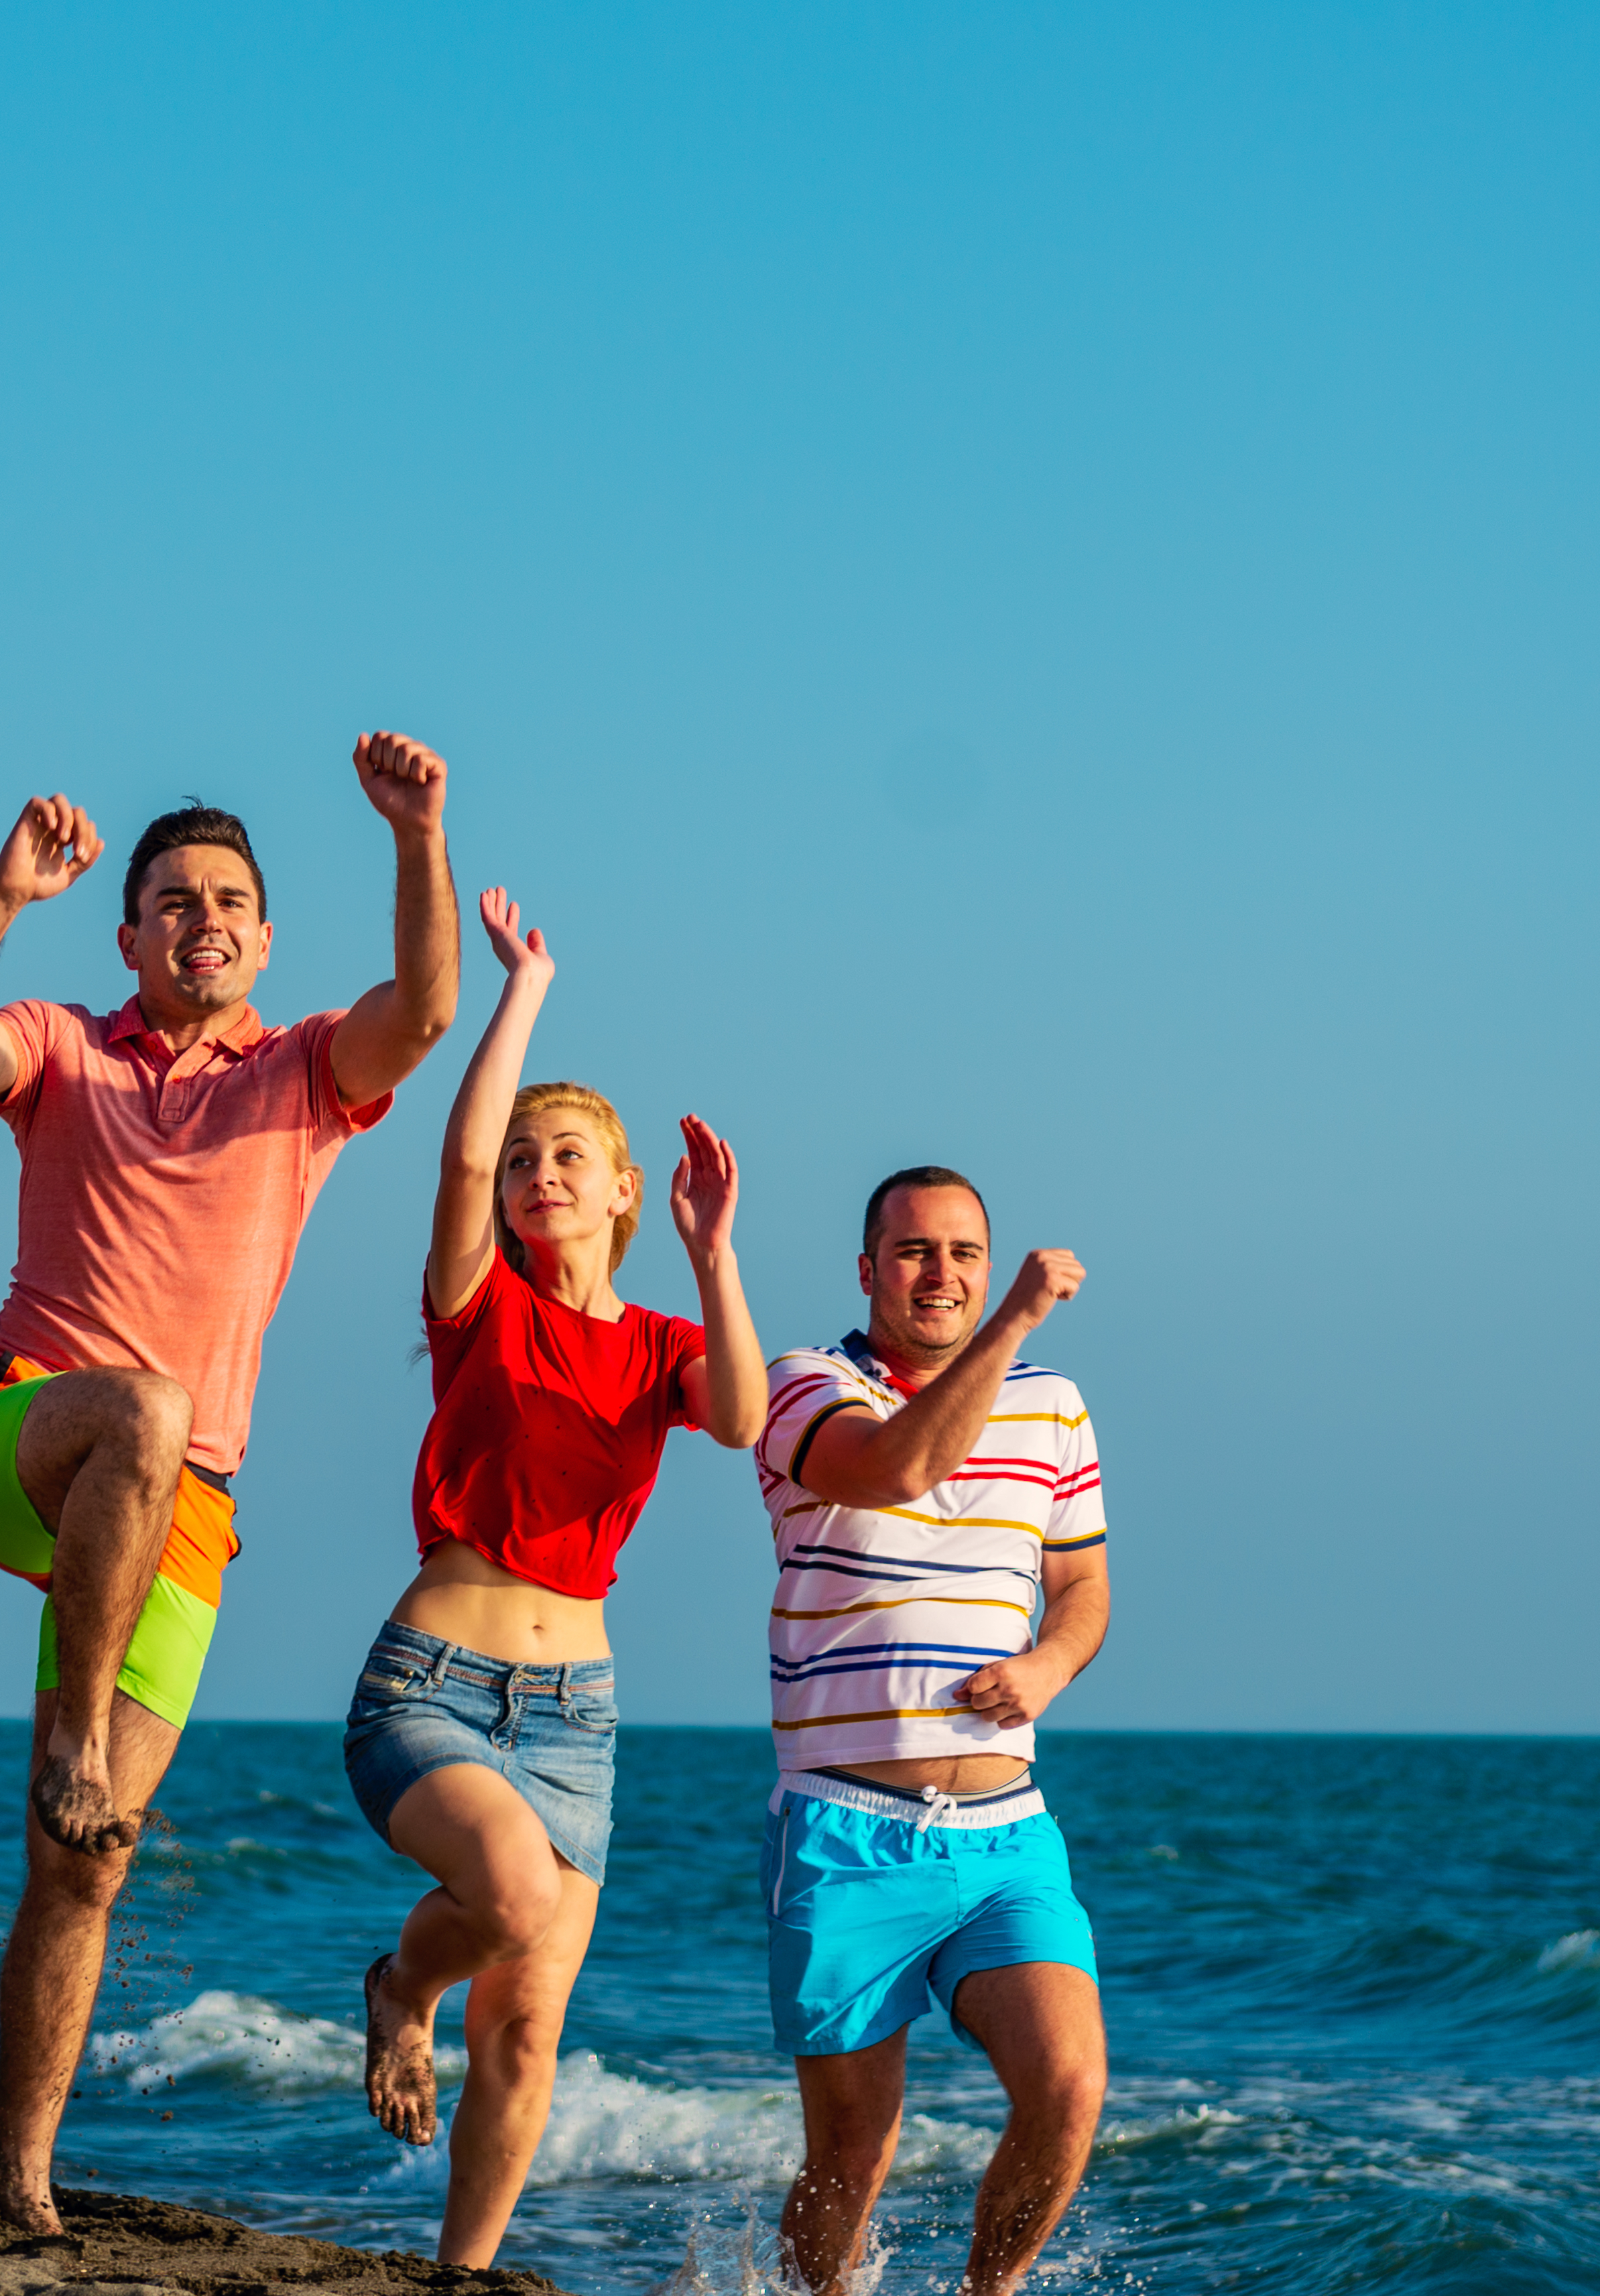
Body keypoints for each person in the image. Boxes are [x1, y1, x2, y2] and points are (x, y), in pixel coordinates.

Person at [0, 741, 462, 2233]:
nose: (206, 916)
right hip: (20, 1436)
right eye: (174, 899)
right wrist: (2, 897)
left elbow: (429, 1011)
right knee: (144, 1407)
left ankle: (17, 2172)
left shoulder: (305, 1078)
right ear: (129, 935)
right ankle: (69, 1735)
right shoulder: (63, 1046)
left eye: (233, 900)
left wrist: (416, 838)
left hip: (185, 1507)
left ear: (265, 940)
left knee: (88, 1863)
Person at [344, 888, 766, 2270]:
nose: (541, 1172)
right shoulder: (480, 1308)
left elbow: (750, 1420)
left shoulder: (656, 1344)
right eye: (531, 1154)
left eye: (571, 1153)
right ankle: (399, 1986)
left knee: (526, 2026)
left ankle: (457, 2272)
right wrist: (526, 987)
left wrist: (716, 1260)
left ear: (625, 1187)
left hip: (576, 1713)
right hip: (433, 1686)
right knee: (509, 1901)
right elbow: (460, 1168)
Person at [755, 1170, 1109, 2296]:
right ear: (868, 1271)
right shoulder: (805, 1386)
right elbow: (901, 1464)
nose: (942, 1274)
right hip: (847, 1833)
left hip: (1006, 1834)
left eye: (964, 1253)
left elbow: (1084, 1584)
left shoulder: (1052, 1404)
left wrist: (1049, 1666)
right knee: (852, 2159)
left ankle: (985, 2294)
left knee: (1068, 2088)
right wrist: (1013, 1314)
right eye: (915, 1252)